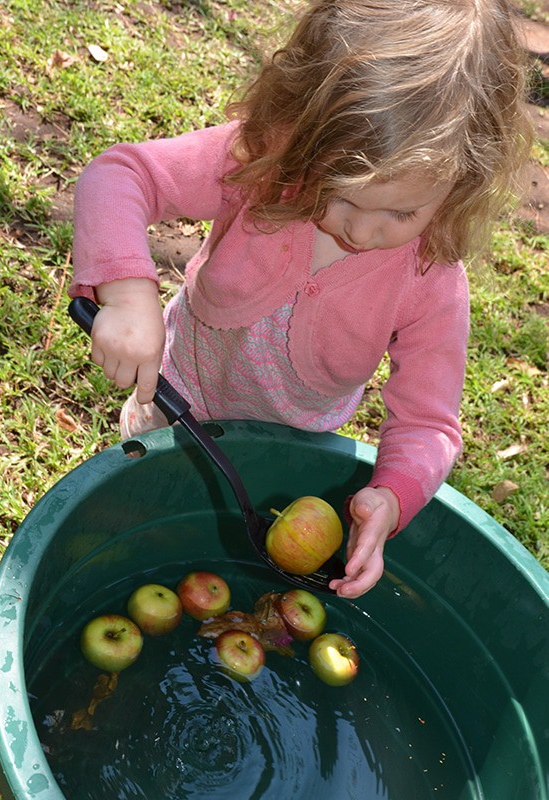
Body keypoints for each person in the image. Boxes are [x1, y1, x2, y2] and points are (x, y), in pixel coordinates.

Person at [69, 0, 532, 599]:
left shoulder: (431, 279)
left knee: (234, 581)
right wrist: (129, 294)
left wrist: (392, 495)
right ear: (304, 132)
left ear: (463, 179)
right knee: (135, 526)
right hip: (175, 403)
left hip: (280, 471)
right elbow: (122, 175)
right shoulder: (265, 166)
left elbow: (427, 422)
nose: (362, 232)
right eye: (342, 195)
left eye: (402, 212)